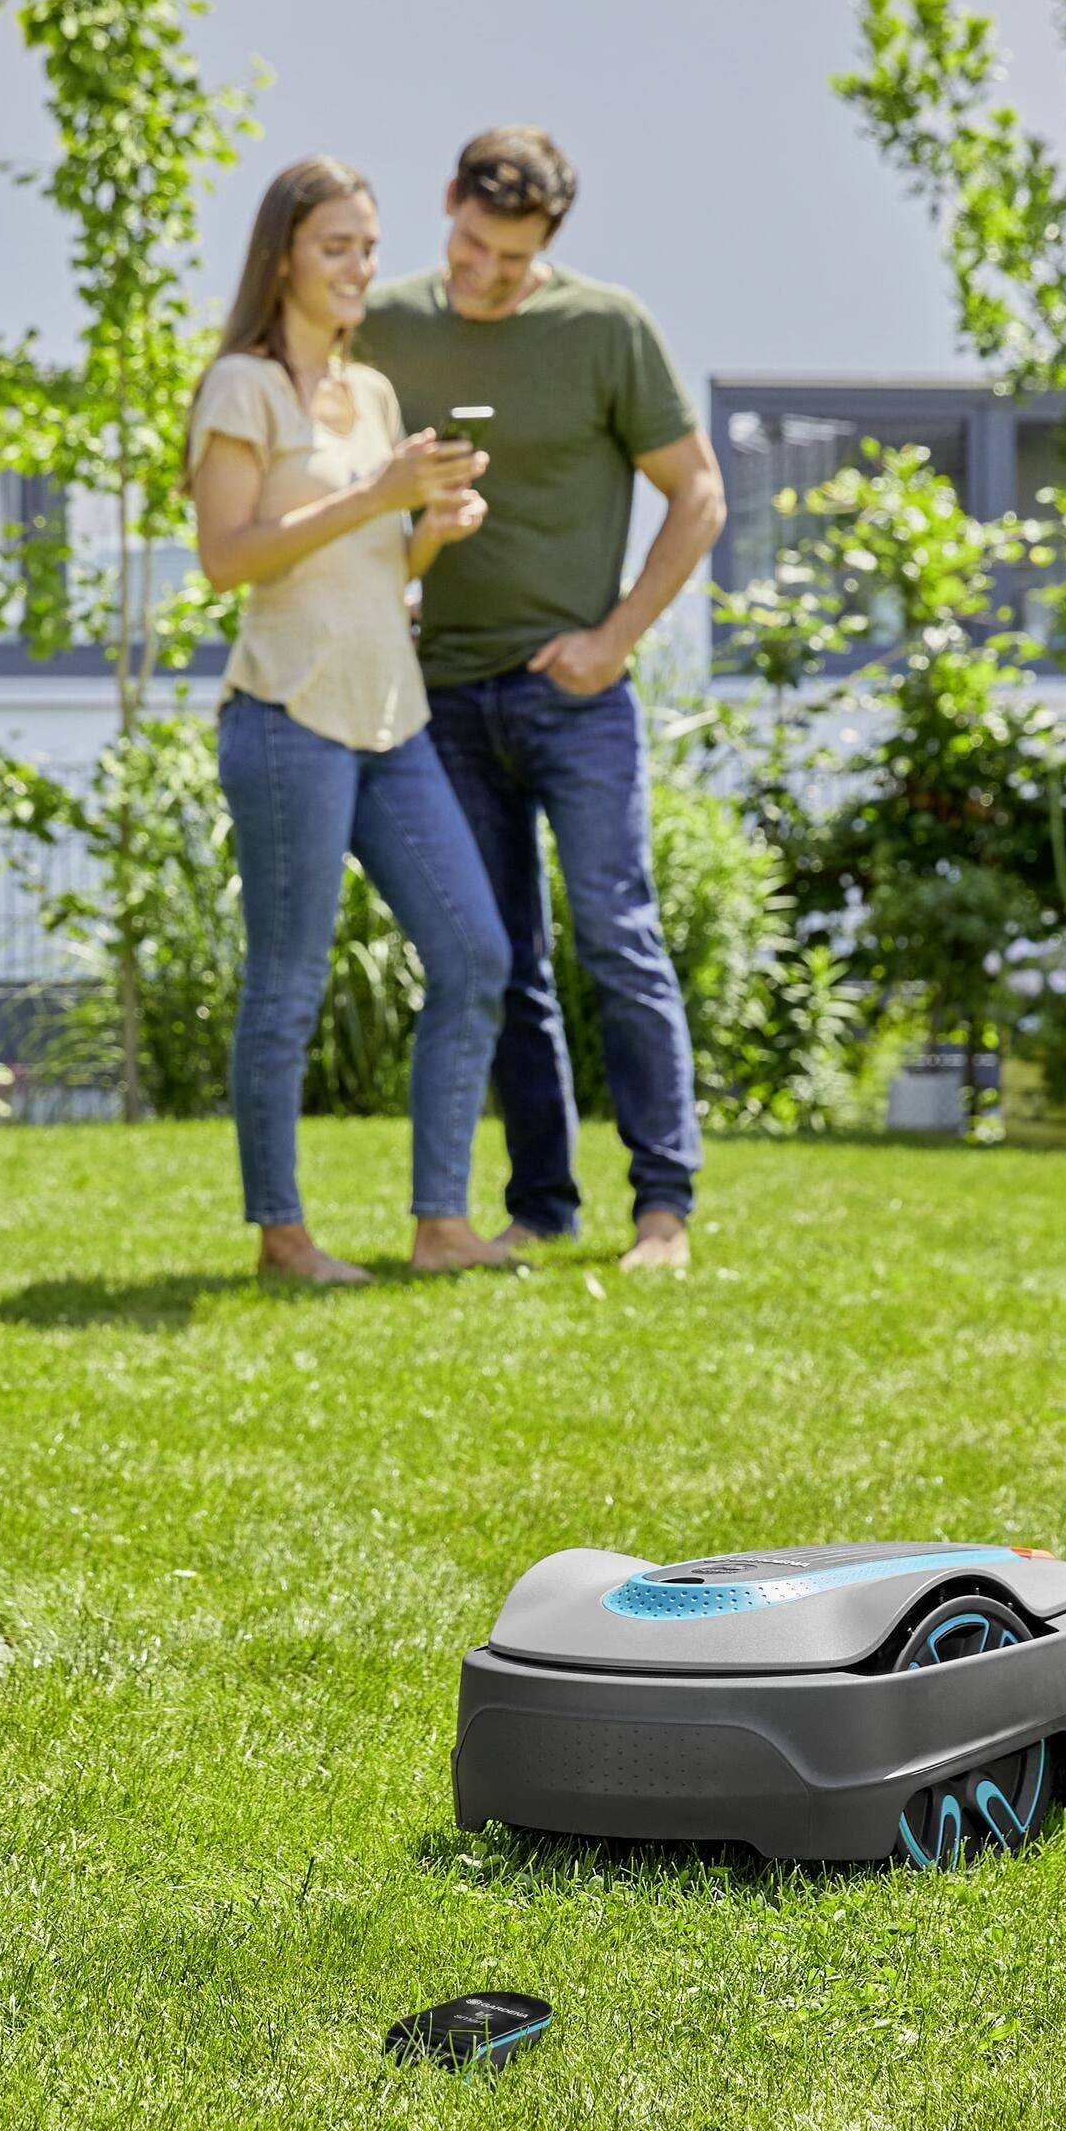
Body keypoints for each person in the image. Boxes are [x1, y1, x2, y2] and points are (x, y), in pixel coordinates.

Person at [358, 126, 727, 1272]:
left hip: (574, 697)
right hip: (447, 697)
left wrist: (614, 640)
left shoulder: (604, 330)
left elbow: (697, 492)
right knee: (501, 953)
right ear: (447, 206)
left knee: (617, 935)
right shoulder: (388, 325)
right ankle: (544, 1203)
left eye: (510, 261)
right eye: (470, 244)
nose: (483, 273)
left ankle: (661, 1210)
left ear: (547, 247)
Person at [189, 155, 524, 1286]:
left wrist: (427, 524)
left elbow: (384, 567)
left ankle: (441, 1224)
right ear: (283, 251)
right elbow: (224, 558)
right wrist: (374, 497)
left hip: (392, 711)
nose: (358, 268)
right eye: (337, 245)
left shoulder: (372, 394)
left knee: (474, 951)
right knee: (287, 980)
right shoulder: (242, 388)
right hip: (287, 711)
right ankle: (283, 1237)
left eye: (369, 247)